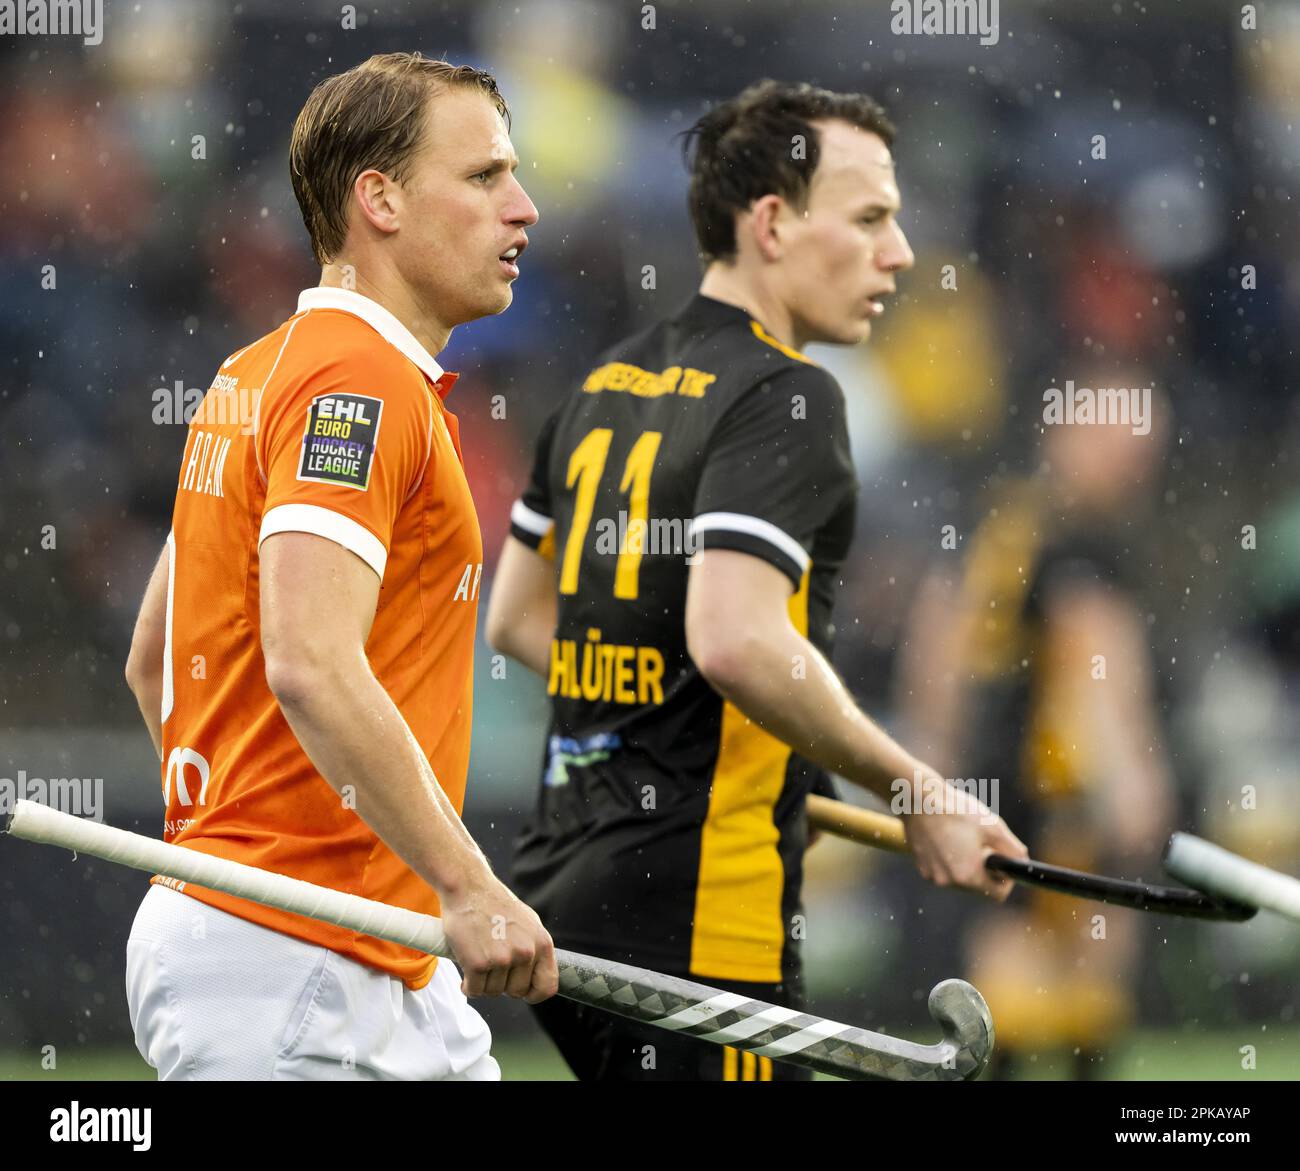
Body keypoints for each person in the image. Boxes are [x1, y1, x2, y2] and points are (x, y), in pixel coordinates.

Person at [485, 79, 1028, 1082]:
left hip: (567, 887)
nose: (899, 254)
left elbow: (518, 619)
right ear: (771, 222)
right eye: (869, 219)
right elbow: (735, 639)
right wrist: (917, 790)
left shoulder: (607, 377)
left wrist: (692, 739)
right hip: (699, 918)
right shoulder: (789, 397)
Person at [122, 52, 556, 1082]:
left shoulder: (256, 370)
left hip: (340, 948)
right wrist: (466, 882)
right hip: (296, 961)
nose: (523, 208)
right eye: (486, 177)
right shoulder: (355, 380)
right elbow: (309, 660)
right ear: (381, 200)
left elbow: (155, 660)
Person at [897, 371, 1176, 1078]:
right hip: (1062, 793)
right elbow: (1097, 662)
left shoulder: (1002, 516)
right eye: (1127, 443)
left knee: (1008, 984)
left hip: (998, 789)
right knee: (1085, 986)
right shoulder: (1076, 542)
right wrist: (1134, 775)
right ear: (1072, 434)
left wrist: (931, 752)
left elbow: (938, 633)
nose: (1142, 464)